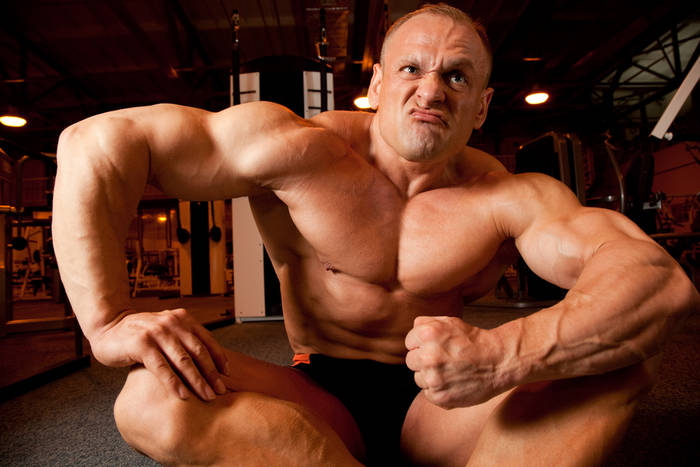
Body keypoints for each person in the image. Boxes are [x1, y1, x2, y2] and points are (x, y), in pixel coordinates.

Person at [52, 4, 698, 466]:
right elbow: (100, 143)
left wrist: (503, 355)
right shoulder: (296, 149)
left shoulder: (511, 194)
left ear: (481, 105)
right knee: (148, 398)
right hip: (315, 395)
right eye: (411, 69)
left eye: (456, 76)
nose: (431, 91)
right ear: (378, 84)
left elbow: (656, 281)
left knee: (620, 357)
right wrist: (107, 321)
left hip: (448, 402)